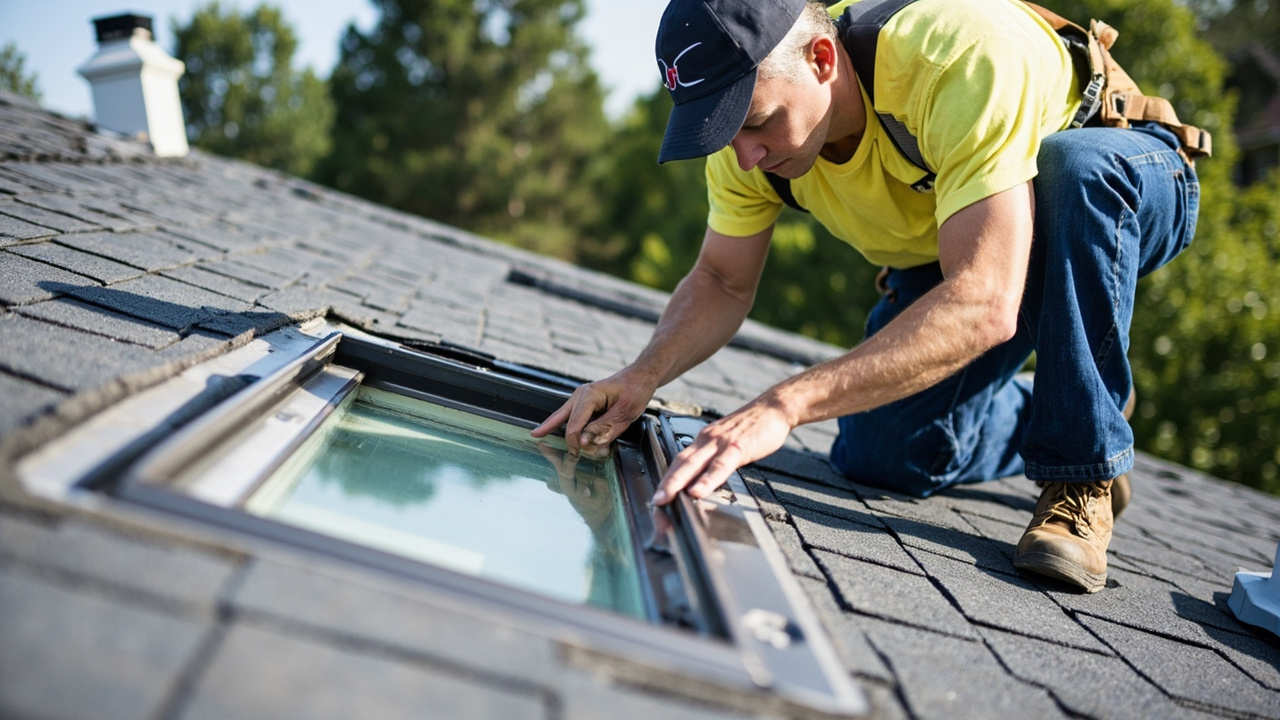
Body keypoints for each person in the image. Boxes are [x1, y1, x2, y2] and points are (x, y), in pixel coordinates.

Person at [532, 0, 1200, 593]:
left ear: (822, 58)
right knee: (879, 450)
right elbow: (721, 280)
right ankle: (1076, 397)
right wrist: (640, 375)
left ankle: (1083, 470)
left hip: (1124, 175)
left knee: (1070, 170)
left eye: (755, 122)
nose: (744, 156)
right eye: (722, 130)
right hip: (962, 240)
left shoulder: (953, 57)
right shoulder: (745, 144)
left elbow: (986, 300)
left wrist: (785, 404)